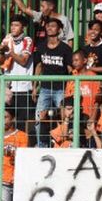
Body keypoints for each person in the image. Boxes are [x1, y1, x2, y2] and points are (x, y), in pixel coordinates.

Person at [33, 18, 72, 147]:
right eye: (48, 26)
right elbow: (39, 66)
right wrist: (34, 86)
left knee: (63, 118)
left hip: (61, 88)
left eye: (53, 26)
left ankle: (61, 144)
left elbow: (70, 69)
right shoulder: (41, 46)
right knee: (39, 118)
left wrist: (69, 89)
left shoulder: (65, 48)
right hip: (44, 88)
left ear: (59, 29)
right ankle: (41, 145)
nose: (50, 28)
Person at [0, 14, 34, 132]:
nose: (13, 28)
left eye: (16, 25)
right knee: (5, 120)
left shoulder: (27, 40)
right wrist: (2, 53)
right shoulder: (7, 39)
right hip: (8, 87)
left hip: (23, 87)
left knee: (22, 122)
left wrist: (9, 51)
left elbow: (23, 61)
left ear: (23, 27)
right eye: (12, 25)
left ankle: (22, 146)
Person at [9, 0, 74, 46]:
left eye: (43, 6)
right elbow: (24, 9)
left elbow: (70, 39)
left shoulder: (64, 20)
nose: (41, 9)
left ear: (51, 7)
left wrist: (68, 55)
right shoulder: (40, 16)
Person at [0, 108, 28, 186]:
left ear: (13, 119)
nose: (2, 121)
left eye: (5, 117)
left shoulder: (22, 136)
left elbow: (24, 159)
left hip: (15, 180)